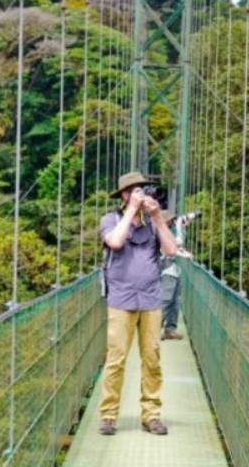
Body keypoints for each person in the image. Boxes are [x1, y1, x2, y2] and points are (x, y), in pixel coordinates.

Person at [97, 172, 177, 437]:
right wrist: (132, 210)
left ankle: (151, 415)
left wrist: (156, 216)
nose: (143, 194)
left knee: (152, 359)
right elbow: (116, 241)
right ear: (124, 195)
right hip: (121, 299)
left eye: (144, 189)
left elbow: (171, 250)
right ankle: (109, 415)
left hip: (151, 299)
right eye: (136, 190)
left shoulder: (153, 222)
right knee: (116, 360)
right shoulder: (111, 219)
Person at [159, 210, 192, 340]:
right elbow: (172, 247)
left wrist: (181, 229)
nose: (172, 222)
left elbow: (178, 245)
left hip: (173, 271)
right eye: (171, 220)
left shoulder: (167, 233)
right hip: (165, 271)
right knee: (166, 301)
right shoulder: (158, 232)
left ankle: (170, 329)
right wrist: (180, 228)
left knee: (176, 301)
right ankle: (154, 330)